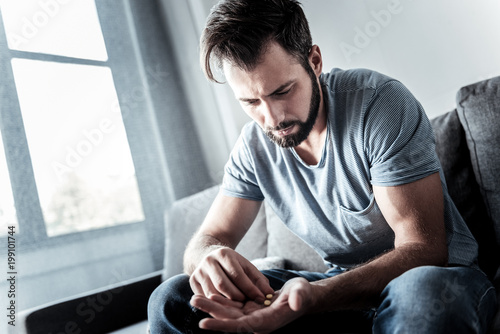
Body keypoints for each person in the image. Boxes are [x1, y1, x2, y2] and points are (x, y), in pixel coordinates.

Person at [148, 0, 497, 333]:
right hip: (335, 291)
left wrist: (315, 297)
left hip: (437, 278)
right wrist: (208, 257)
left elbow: (424, 250)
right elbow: (209, 238)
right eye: (251, 101)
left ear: (314, 61)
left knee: (423, 293)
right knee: (174, 298)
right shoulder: (253, 146)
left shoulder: (379, 105)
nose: (271, 118)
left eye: (283, 91)